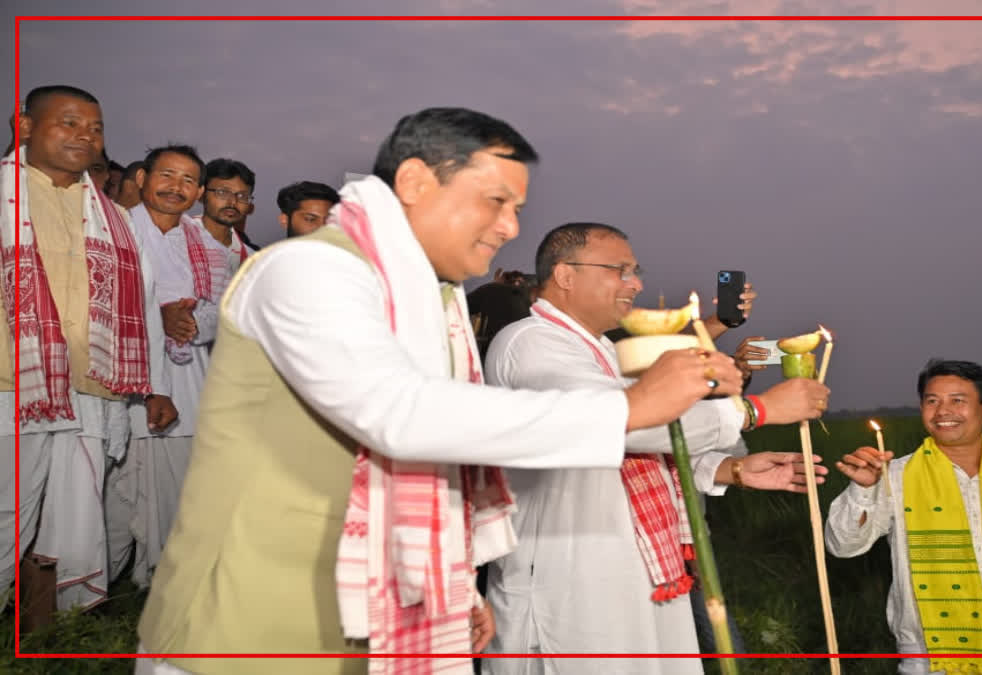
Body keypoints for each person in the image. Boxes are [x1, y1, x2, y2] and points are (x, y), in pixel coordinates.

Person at [135, 107, 742, 675]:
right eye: (496, 202)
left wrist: (450, 582)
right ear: (416, 183)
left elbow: (438, 458)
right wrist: (630, 407)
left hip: (387, 612)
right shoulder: (309, 270)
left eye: (517, 209)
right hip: (255, 623)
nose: (510, 227)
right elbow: (398, 413)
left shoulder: (438, 299)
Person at [482, 222, 832, 674]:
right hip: (572, 583)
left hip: (638, 574)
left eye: (636, 271)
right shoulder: (530, 344)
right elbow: (623, 423)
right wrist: (755, 411)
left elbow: (657, 438)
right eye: (620, 270)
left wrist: (730, 470)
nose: (637, 283)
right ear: (566, 275)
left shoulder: (603, 351)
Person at [0, 85, 176, 612]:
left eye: (96, 128)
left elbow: (140, 308)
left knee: (78, 512)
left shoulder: (112, 218)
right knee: (7, 509)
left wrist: (150, 390)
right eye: (70, 123)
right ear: (25, 127)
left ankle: (59, 620)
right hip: (14, 385)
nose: (86, 137)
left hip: (89, 388)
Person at [825, 359, 982, 675]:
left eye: (957, 400)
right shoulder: (893, 477)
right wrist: (863, 490)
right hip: (931, 663)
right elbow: (842, 544)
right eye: (932, 401)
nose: (942, 411)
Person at [106, 144, 231, 589]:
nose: (175, 187)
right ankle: (95, 590)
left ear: (197, 192)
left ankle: (155, 586)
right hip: (127, 382)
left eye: (186, 181)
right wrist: (155, 315)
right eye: (166, 175)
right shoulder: (114, 229)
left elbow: (223, 309)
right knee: (119, 493)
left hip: (188, 381)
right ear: (142, 179)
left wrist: (192, 320)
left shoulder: (201, 241)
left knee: (178, 491)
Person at [199, 158, 255, 269]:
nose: (233, 202)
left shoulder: (251, 260)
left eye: (242, 196)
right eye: (223, 193)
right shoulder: (177, 240)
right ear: (202, 194)